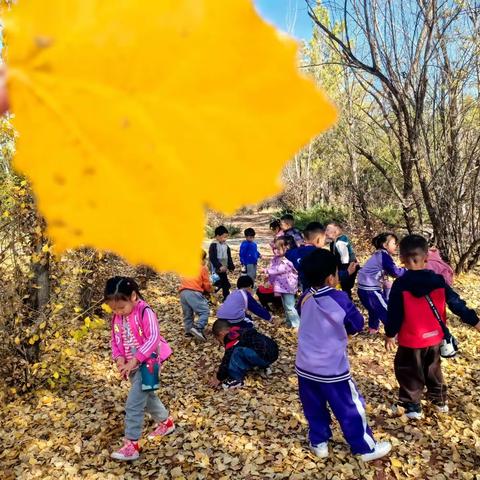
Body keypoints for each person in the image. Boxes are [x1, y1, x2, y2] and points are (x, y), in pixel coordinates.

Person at [296, 249, 391, 461]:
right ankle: (365, 448)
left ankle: (319, 442)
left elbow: (302, 314)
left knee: (313, 405)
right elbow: (356, 324)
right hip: (332, 368)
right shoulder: (339, 297)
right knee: (349, 407)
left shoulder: (305, 296)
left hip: (304, 366)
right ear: (331, 278)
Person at [385, 235, 480, 419]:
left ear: (402, 260)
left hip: (411, 340)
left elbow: (394, 313)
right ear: (427, 258)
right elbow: (456, 303)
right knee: (433, 368)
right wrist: (475, 321)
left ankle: (412, 405)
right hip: (435, 337)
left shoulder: (400, 285)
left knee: (408, 370)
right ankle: (439, 400)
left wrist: (390, 334)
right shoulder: (438, 281)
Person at [107, 276, 174, 461]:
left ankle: (132, 444)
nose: (118, 312)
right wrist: (120, 358)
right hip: (131, 364)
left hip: (150, 362)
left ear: (134, 296)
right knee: (148, 396)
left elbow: (153, 338)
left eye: (121, 307)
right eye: (114, 309)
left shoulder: (145, 311)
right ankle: (166, 423)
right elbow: (116, 340)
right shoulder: (117, 318)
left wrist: (135, 360)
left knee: (134, 403)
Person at [209, 319, 279, 389]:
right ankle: (263, 367)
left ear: (221, 333)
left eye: (219, 339)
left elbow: (227, 359)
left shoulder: (231, 337)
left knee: (236, 352)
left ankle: (236, 380)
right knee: (248, 349)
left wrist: (219, 377)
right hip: (273, 353)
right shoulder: (240, 330)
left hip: (262, 356)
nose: (221, 343)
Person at [357, 233, 405, 334]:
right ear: (385, 245)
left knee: (374, 309)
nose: (396, 246)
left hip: (364, 289)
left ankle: (373, 329)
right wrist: (406, 270)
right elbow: (395, 272)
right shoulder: (384, 255)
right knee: (386, 310)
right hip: (370, 290)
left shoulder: (378, 254)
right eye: (394, 243)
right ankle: (394, 333)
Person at [266, 236, 300, 328]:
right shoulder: (276, 260)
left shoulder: (286, 261)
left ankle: (296, 325)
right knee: (286, 307)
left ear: (285, 248)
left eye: (278, 249)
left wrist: (266, 270)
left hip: (288, 287)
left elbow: (278, 270)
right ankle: (290, 323)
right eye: (274, 249)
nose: (275, 251)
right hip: (281, 287)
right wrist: (270, 281)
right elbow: (274, 274)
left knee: (290, 307)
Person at [179, 250, 211, 341]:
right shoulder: (202, 267)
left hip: (183, 292)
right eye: (205, 259)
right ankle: (198, 327)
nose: (205, 261)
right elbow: (206, 284)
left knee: (188, 313)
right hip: (193, 291)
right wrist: (209, 291)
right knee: (204, 311)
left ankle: (188, 332)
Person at [286, 221, 326, 291]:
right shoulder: (322, 254)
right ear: (319, 239)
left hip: (301, 290)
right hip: (319, 291)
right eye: (324, 239)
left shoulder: (291, 253)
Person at [326, 221, 359, 299]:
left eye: (328, 230)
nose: (326, 232)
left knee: (345, 285)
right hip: (343, 266)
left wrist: (345, 271)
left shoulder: (340, 242)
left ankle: (347, 300)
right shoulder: (334, 241)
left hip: (349, 266)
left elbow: (345, 258)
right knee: (342, 284)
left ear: (336, 231)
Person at [209, 225, 235, 300]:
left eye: (226, 237)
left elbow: (229, 257)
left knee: (225, 284)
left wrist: (231, 266)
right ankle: (210, 295)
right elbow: (212, 258)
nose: (225, 239)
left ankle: (226, 297)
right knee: (218, 283)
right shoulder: (213, 245)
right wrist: (219, 266)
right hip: (216, 269)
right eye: (224, 237)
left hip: (223, 269)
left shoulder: (226, 246)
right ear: (217, 236)